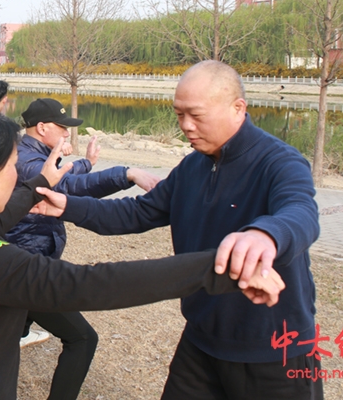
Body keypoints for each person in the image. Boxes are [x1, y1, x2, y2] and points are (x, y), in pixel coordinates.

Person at [0, 107, 285, 400]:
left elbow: (4, 214)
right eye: (12, 165)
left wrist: (44, 180)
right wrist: (219, 267)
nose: (16, 173)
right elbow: (90, 284)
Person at [32, 60, 321, 400]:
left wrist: (266, 234)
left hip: (273, 347)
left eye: (196, 115)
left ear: (238, 108)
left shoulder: (279, 161)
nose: (185, 126)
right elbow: (139, 212)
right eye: (179, 114)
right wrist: (69, 206)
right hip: (201, 338)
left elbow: (301, 212)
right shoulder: (192, 166)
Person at [9, 98, 163, 399]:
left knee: (7, 330)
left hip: (29, 262)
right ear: (41, 128)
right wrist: (127, 173)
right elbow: (69, 186)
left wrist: (89, 162)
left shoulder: (34, 154)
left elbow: (67, 171)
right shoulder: (26, 161)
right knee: (83, 338)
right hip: (25, 267)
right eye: (62, 128)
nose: (67, 134)